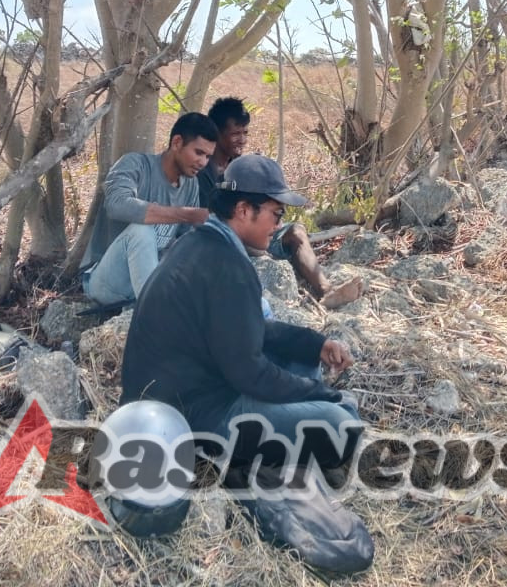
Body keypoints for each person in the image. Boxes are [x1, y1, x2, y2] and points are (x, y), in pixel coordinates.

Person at [121, 153, 363, 472]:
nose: (277, 226)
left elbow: (250, 331)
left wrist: (315, 344)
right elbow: (250, 374)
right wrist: (323, 395)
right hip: (194, 420)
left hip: (181, 397)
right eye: (276, 215)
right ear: (244, 210)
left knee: (300, 359)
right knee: (342, 427)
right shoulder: (227, 268)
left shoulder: (201, 244)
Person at [199, 96, 363, 309]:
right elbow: (207, 221)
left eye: (245, 133)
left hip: (253, 231)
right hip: (227, 237)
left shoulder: (241, 167)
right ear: (217, 133)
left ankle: (326, 290)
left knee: (295, 231)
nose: (242, 140)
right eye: (235, 134)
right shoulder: (202, 171)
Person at [80, 112, 218, 308]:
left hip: (151, 281)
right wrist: (187, 213)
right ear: (177, 142)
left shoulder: (190, 184)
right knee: (142, 231)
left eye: (208, 157)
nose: (203, 163)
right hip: (107, 282)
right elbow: (117, 204)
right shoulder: (135, 165)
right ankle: (157, 315)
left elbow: (186, 241)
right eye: (198, 153)